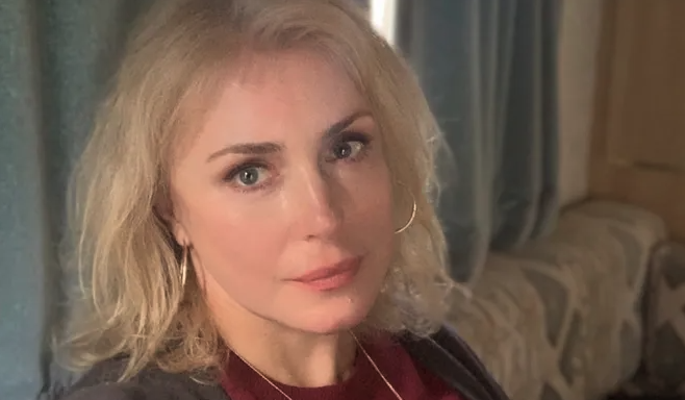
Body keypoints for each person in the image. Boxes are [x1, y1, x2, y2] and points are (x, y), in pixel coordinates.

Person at [57, 0, 510, 399]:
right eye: (250, 174)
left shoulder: (428, 353)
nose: (323, 216)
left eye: (346, 149)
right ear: (169, 208)